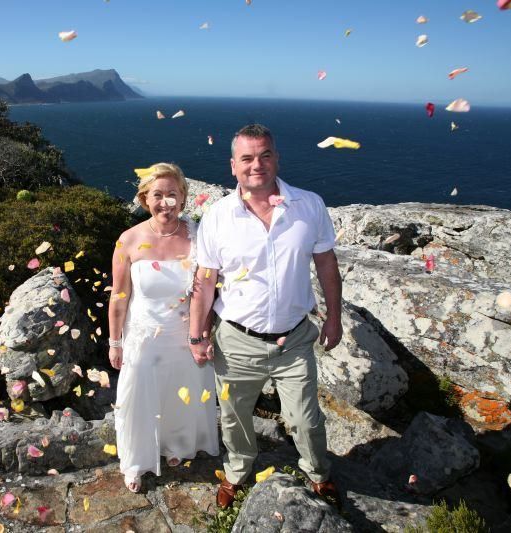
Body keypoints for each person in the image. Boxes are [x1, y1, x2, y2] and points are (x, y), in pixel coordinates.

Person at [188, 124, 343, 508]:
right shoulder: (218, 216)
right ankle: (238, 473)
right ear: (233, 165)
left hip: (294, 339)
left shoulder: (309, 206)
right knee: (235, 416)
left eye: (265, 155)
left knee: (305, 418)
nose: (257, 165)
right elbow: (205, 281)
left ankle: (318, 473)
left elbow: (326, 264)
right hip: (237, 339)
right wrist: (197, 335)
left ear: (276, 158)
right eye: (247, 158)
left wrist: (334, 318)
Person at [108, 162, 219, 493]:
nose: (165, 203)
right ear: (145, 199)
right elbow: (118, 297)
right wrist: (115, 342)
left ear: (184, 198)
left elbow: (207, 291)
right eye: (158, 195)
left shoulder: (199, 236)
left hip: (186, 335)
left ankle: (175, 446)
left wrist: (203, 335)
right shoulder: (128, 240)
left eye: (173, 194)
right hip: (143, 336)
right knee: (137, 398)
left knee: (178, 394)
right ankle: (136, 460)